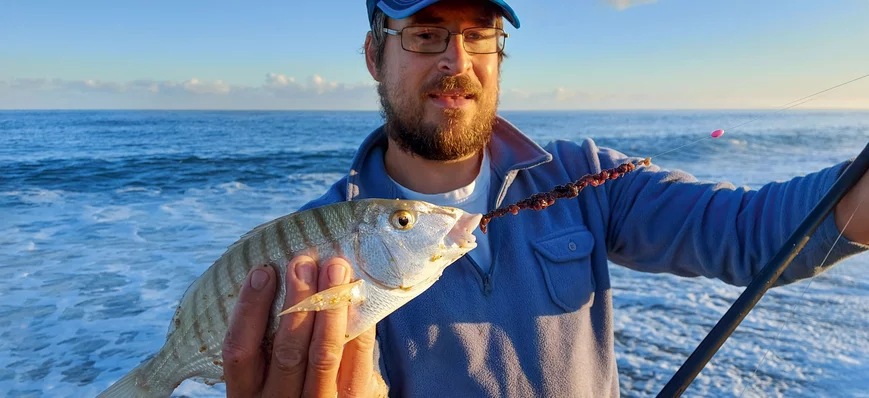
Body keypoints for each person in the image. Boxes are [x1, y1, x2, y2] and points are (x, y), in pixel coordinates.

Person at [220, 0, 869, 396]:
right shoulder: (308, 247)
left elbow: (754, 236)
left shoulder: (584, 175)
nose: (457, 61)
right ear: (372, 53)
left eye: (479, 34)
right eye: (425, 33)